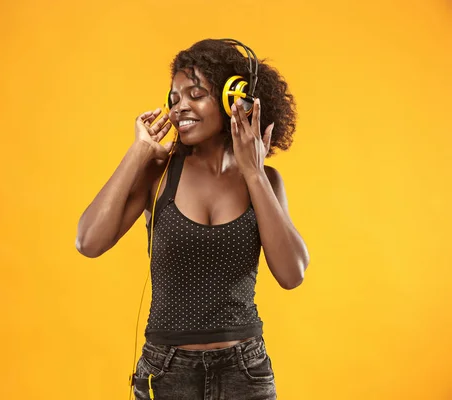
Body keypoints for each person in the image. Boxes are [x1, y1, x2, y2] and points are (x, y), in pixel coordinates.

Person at [76, 38, 310, 400]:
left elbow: (292, 274)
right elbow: (88, 241)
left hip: (244, 371)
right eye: (174, 98)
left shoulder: (264, 181)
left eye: (195, 94)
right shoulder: (159, 175)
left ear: (234, 101)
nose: (179, 107)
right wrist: (137, 153)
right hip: (166, 370)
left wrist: (254, 173)